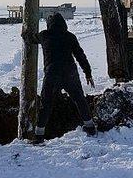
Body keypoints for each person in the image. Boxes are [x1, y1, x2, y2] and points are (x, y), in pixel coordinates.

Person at [24, 12, 96, 142]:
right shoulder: (70, 37)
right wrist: (88, 72)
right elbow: (80, 55)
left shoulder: (44, 35)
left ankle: (39, 135)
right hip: (70, 73)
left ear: (49, 25)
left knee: (46, 104)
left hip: (52, 74)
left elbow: (30, 39)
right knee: (80, 100)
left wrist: (25, 33)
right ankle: (90, 127)